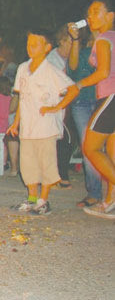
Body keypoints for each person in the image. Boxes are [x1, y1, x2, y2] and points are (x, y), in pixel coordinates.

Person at [8, 29, 78, 215]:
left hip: (45, 127)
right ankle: (31, 199)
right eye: (29, 43)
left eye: (35, 44)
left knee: (46, 164)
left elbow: (73, 89)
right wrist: (15, 123)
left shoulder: (51, 70)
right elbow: (22, 99)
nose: (30, 47)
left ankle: (43, 200)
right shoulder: (23, 68)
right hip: (27, 128)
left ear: (47, 48)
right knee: (28, 165)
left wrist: (56, 107)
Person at [73, 0, 115, 218]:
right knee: (111, 153)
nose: (90, 17)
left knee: (91, 148)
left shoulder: (104, 38)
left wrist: (78, 84)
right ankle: (110, 201)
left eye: (96, 12)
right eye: (88, 13)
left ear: (110, 15)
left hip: (110, 97)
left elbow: (103, 72)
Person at [67, 21, 103, 207]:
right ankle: (94, 192)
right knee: (88, 147)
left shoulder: (107, 44)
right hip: (81, 101)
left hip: (102, 99)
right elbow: (72, 69)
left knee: (106, 148)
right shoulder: (80, 48)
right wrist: (74, 39)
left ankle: (108, 191)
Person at [47, 26, 74, 189]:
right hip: (56, 104)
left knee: (69, 139)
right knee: (60, 140)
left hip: (70, 102)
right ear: (61, 41)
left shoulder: (72, 58)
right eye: (70, 41)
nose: (72, 45)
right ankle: (58, 175)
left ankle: (60, 173)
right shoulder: (52, 59)